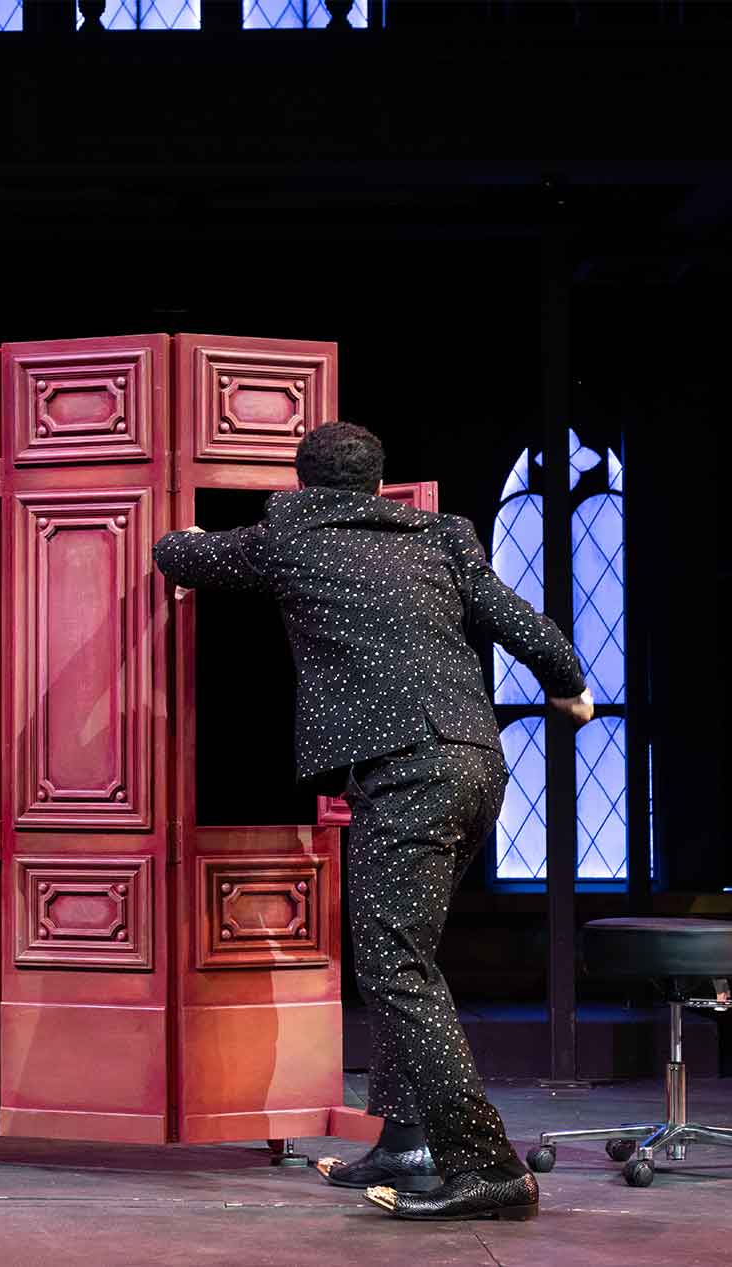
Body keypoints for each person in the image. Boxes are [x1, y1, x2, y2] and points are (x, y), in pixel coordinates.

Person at [153, 422, 591, 1223]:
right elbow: (521, 621)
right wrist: (569, 685)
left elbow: (184, 557)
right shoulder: (440, 536)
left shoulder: (292, 536)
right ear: (377, 480)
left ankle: (485, 1164)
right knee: (407, 955)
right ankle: (406, 1140)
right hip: (475, 765)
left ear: (306, 480)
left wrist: (174, 530)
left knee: (393, 966)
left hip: (408, 774)